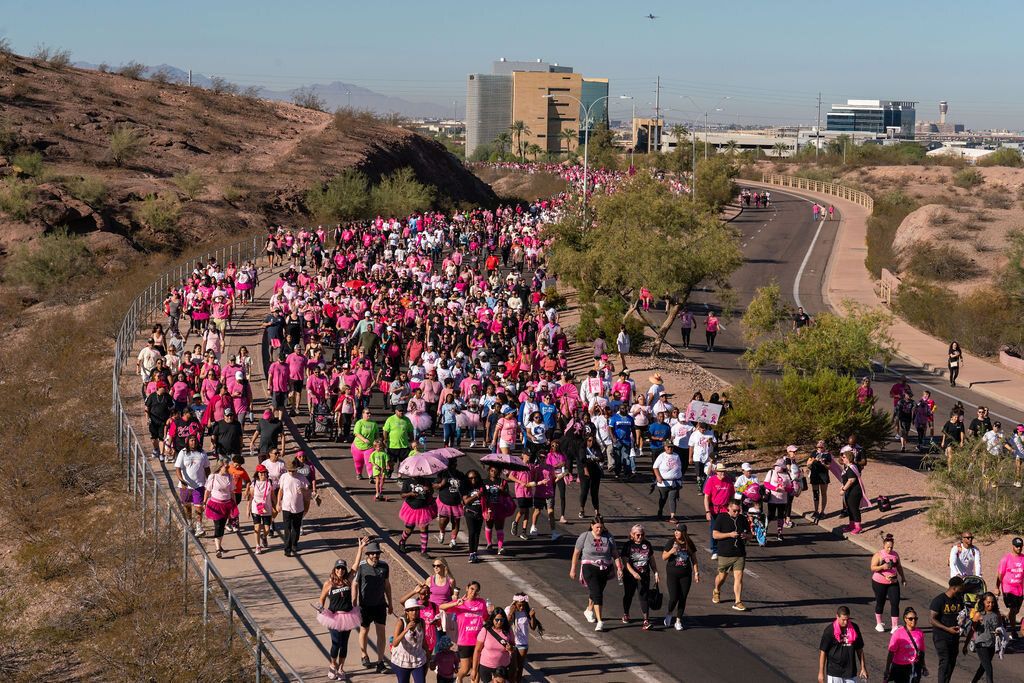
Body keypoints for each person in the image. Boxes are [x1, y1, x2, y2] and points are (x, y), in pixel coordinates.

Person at [316, 537, 369, 682]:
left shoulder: (348, 579)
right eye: (338, 568)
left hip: (348, 615)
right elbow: (321, 598)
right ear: (334, 569)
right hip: (333, 616)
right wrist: (320, 607)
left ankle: (341, 667)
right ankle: (332, 665)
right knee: (335, 642)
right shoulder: (328, 583)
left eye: (342, 568)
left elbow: (356, 565)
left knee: (344, 644)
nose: (340, 570)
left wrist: (360, 548)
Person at [569, 516, 624, 632]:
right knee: (597, 593)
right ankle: (600, 621)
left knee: (597, 590)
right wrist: (573, 568)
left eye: (601, 527)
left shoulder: (608, 537)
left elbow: (615, 554)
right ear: (592, 526)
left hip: (605, 568)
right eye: (597, 527)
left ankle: (589, 610)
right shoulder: (585, 536)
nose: (599, 530)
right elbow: (576, 553)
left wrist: (619, 567)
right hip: (589, 567)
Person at [355, 540, 394, 675]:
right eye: (373, 554)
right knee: (364, 630)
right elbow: (355, 584)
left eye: (377, 554)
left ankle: (380, 661)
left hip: (380, 605)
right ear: (368, 554)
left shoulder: (384, 566)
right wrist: (354, 602)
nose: (376, 556)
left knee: (381, 633)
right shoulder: (361, 566)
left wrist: (390, 603)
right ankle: (364, 654)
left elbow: (387, 585)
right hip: (365, 605)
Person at [439, 581, 489, 683]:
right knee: (465, 669)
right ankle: (459, 677)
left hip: (478, 641)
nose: (473, 592)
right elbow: (441, 607)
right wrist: (455, 603)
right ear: (467, 588)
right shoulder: (460, 603)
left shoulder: (481, 602)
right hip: (465, 641)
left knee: (477, 668)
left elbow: (486, 618)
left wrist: (490, 614)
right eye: (472, 589)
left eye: (476, 590)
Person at [711, 500, 749, 611]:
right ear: (728, 508)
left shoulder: (742, 519)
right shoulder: (721, 518)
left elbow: (751, 535)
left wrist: (746, 535)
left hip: (739, 553)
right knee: (722, 577)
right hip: (725, 553)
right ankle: (716, 590)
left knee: (739, 577)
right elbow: (715, 535)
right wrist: (729, 534)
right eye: (734, 511)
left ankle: (738, 601)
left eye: (739, 511)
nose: (737, 513)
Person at [662, 523, 699, 631]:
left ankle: (678, 620)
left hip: (685, 575)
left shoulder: (689, 543)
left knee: (683, 598)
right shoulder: (671, 542)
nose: (676, 532)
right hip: (672, 574)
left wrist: (696, 573)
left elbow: (694, 559)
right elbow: (664, 557)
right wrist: (671, 552)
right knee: (673, 598)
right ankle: (669, 613)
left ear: (684, 533)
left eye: (678, 531)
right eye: (675, 531)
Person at [621, 524, 659, 630]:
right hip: (630, 575)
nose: (640, 537)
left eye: (642, 535)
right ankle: (626, 613)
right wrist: (633, 573)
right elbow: (625, 561)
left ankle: (646, 620)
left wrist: (655, 572)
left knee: (644, 596)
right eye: (638, 535)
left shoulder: (647, 544)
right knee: (629, 595)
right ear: (632, 535)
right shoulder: (628, 545)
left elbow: (651, 559)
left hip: (644, 575)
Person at [929, 576, 966, 683]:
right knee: (945, 661)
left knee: (952, 662)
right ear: (954, 588)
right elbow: (932, 619)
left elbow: (962, 615)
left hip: (954, 637)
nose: (962, 590)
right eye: (961, 587)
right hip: (941, 637)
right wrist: (947, 629)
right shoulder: (939, 600)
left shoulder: (959, 600)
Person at [817, 606, 868, 683]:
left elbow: (859, 650)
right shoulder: (829, 630)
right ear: (837, 616)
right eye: (843, 620)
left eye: (847, 619)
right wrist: (821, 672)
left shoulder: (854, 628)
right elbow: (823, 652)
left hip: (850, 672)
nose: (846, 622)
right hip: (834, 672)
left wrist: (863, 668)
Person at [870, 533, 907, 633]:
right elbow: (872, 567)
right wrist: (882, 567)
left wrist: (903, 578)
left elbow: (899, 567)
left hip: (893, 582)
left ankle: (894, 626)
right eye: (887, 547)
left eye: (891, 547)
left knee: (895, 602)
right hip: (879, 582)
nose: (889, 549)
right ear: (884, 545)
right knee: (880, 602)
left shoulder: (895, 554)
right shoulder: (878, 555)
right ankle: (879, 623)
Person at [174, 434, 210, 537]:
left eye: (195, 441)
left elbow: (207, 468)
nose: (193, 442)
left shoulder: (202, 453)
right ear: (188, 442)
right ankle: (190, 524)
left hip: (199, 485)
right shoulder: (183, 453)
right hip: (185, 486)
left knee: (199, 507)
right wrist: (182, 480)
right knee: (187, 507)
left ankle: (199, 526)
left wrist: (209, 481)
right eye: (191, 441)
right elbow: (177, 469)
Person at [203, 458, 239, 559]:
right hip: (215, 504)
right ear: (220, 467)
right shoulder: (213, 477)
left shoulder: (229, 477)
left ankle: (219, 544)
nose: (228, 468)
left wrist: (234, 504)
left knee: (222, 525)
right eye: (226, 467)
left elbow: (232, 491)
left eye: (228, 467)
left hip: (227, 504)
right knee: (218, 525)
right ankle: (218, 549)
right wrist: (204, 502)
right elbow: (207, 490)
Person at [965, 592, 1004, 683]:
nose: (991, 604)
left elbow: (1001, 628)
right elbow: (972, 630)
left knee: (983, 666)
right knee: (989, 668)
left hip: (992, 644)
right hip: (981, 644)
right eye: (988, 602)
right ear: (983, 602)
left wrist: (999, 633)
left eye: (993, 602)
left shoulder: (997, 614)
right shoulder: (979, 614)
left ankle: (973, 681)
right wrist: (965, 645)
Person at [503, 593, 542, 683]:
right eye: (519, 605)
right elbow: (506, 625)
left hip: (522, 644)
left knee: (519, 667)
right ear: (515, 603)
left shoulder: (526, 611)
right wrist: (511, 613)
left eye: (523, 605)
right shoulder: (508, 609)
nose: (521, 608)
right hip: (511, 642)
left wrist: (533, 617)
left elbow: (533, 627)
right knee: (511, 666)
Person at [277, 457, 311, 557]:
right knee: (287, 529)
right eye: (289, 470)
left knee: (296, 528)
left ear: (297, 469)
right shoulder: (283, 477)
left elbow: (308, 493)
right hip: (286, 506)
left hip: (298, 507)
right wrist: (278, 503)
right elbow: (281, 490)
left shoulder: (301, 478)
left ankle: (294, 543)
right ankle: (287, 549)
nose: (291, 472)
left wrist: (303, 490)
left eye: (293, 470)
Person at [390, 598, 428, 683]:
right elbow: (395, 643)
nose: (414, 612)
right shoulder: (401, 622)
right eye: (411, 610)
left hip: (418, 659)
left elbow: (423, 641)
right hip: (403, 661)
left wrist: (429, 657)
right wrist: (406, 630)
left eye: (416, 609)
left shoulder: (422, 622)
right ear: (407, 612)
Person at [884, 607, 927, 683]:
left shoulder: (920, 633)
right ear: (905, 619)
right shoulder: (898, 633)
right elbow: (891, 652)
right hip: (900, 668)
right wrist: (887, 669)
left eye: (915, 618)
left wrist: (923, 666)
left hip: (915, 666)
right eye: (911, 618)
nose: (913, 620)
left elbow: (921, 652)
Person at [398, 475, 437, 558]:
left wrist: (429, 489)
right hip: (411, 508)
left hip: (423, 509)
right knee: (409, 529)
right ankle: (402, 541)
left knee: (424, 529)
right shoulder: (407, 482)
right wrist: (410, 494)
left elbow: (432, 492)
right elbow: (402, 495)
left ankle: (423, 550)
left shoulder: (426, 481)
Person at [471, 608, 514, 683]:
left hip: (503, 668)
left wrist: (511, 648)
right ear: (492, 619)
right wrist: (474, 669)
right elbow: (477, 651)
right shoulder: (485, 630)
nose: (499, 622)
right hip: (486, 667)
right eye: (497, 620)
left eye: (502, 620)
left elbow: (513, 646)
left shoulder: (508, 630)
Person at [703, 463, 734, 559]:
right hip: (714, 509)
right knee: (714, 529)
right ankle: (715, 550)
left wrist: (732, 508)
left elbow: (732, 496)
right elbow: (706, 497)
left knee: (726, 529)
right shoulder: (711, 480)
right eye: (720, 471)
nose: (722, 473)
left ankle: (725, 549)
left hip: (725, 509)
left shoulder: (729, 481)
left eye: (724, 471)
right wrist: (707, 511)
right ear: (716, 472)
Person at [996, 536, 1024, 635]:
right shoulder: (1006, 559)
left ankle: (1006, 619)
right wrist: (997, 587)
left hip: (1019, 590)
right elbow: (1000, 575)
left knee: (1016, 611)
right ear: (1013, 546)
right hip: (1008, 589)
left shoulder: (1023, 558)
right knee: (1013, 609)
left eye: (1020, 546)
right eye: (1017, 546)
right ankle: (1013, 631)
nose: (1019, 548)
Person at [246, 464, 274, 554]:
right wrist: (248, 508)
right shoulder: (254, 483)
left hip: (267, 507)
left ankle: (264, 536)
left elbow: (273, 495)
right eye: (261, 473)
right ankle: (257, 546)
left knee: (267, 529)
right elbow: (251, 497)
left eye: (264, 473)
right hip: (256, 507)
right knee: (257, 527)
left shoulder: (269, 482)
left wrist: (277, 504)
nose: (263, 475)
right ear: (257, 474)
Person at [652, 442, 683, 522]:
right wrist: (658, 476)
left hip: (674, 482)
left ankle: (672, 516)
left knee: (672, 498)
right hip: (663, 482)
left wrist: (680, 477)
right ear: (665, 447)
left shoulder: (676, 456)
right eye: (668, 447)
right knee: (663, 498)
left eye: (671, 447)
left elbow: (679, 467)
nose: (670, 448)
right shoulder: (661, 456)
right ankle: (660, 511)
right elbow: (655, 467)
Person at [838, 450, 864, 535]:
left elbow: (851, 480)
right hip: (850, 491)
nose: (842, 458)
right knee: (849, 508)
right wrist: (843, 486)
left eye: (844, 457)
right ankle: (851, 524)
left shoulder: (851, 468)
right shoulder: (848, 467)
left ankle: (858, 526)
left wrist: (843, 489)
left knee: (854, 509)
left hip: (854, 492)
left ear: (848, 458)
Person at [807, 441, 832, 524]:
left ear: (824, 447)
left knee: (823, 493)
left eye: (821, 447)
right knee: (815, 493)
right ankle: (816, 511)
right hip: (815, 475)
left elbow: (829, 467)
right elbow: (808, 464)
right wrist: (814, 460)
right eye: (818, 447)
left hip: (823, 475)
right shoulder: (814, 453)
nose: (819, 449)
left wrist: (823, 463)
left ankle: (822, 512)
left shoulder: (827, 454)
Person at [688, 422, 716, 493]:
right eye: (702, 429)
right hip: (697, 456)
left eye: (704, 430)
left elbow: (715, 444)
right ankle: (700, 487)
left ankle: (705, 486)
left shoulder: (710, 433)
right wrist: (690, 457)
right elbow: (691, 446)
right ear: (699, 427)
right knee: (699, 473)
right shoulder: (694, 434)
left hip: (707, 457)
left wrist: (711, 441)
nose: (703, 431)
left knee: (706, 473)